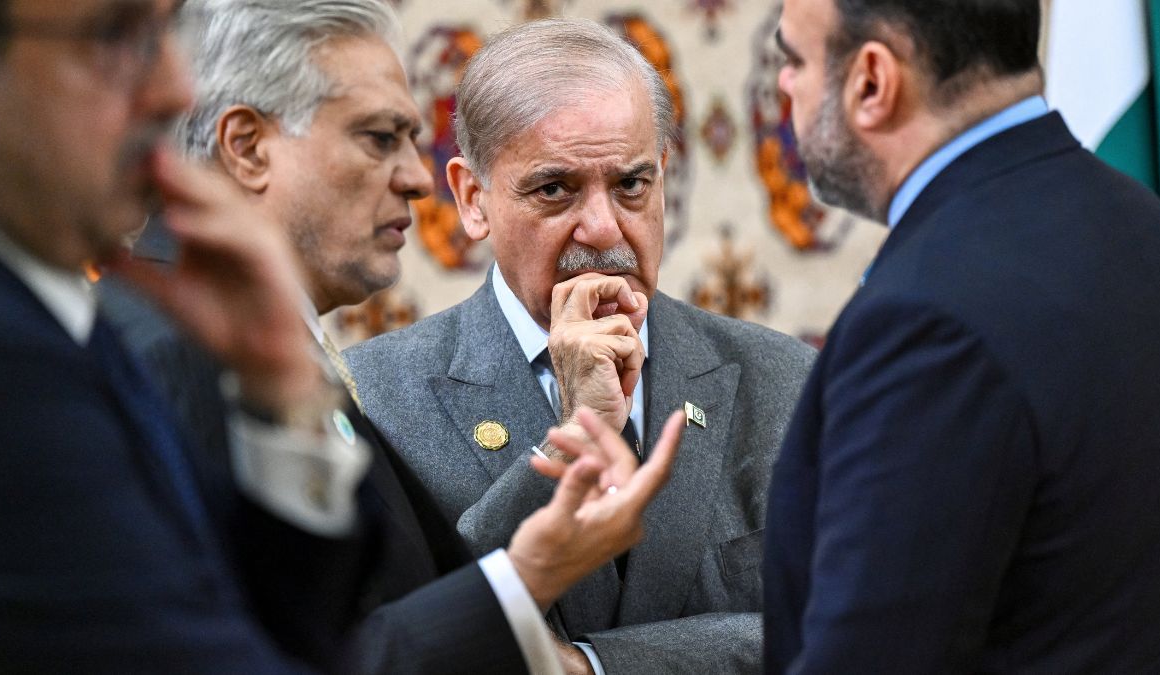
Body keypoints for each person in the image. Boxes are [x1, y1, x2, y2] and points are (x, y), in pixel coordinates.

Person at [0, 0, 680, 671]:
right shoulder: (160, 348)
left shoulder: (262, 353)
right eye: (380, 138)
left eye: (632, 184)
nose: (416, 178)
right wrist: (526, 577)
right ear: (248, 147)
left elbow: (310, 614)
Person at [345, 18, 817, 674]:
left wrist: (593, 665)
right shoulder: (376, 398)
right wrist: (576, 433)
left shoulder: (789, 378)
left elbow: (846, 626)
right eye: (555, 189)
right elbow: (402, 640)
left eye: (630, 185)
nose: (601, 229)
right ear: (472, 198)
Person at [762, 0, 1160, 672]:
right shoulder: (1147, 225)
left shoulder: (926, 319)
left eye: (794, 59)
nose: (784, 84)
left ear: (872, 81)